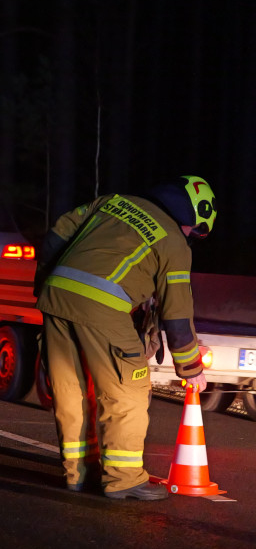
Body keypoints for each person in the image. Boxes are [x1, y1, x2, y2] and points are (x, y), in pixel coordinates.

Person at [34, 175, 216, 500]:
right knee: (127, 393)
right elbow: (177, 313)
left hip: (55, 298)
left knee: (70, 391)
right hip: (103, 309)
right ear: (192, 217)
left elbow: (58, 233)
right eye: (195, 232)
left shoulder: (111, 202)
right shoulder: (173, 242)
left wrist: (45, 282)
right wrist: (191, 369)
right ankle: (124, 479)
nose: (190, 238)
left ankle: (79, 474)